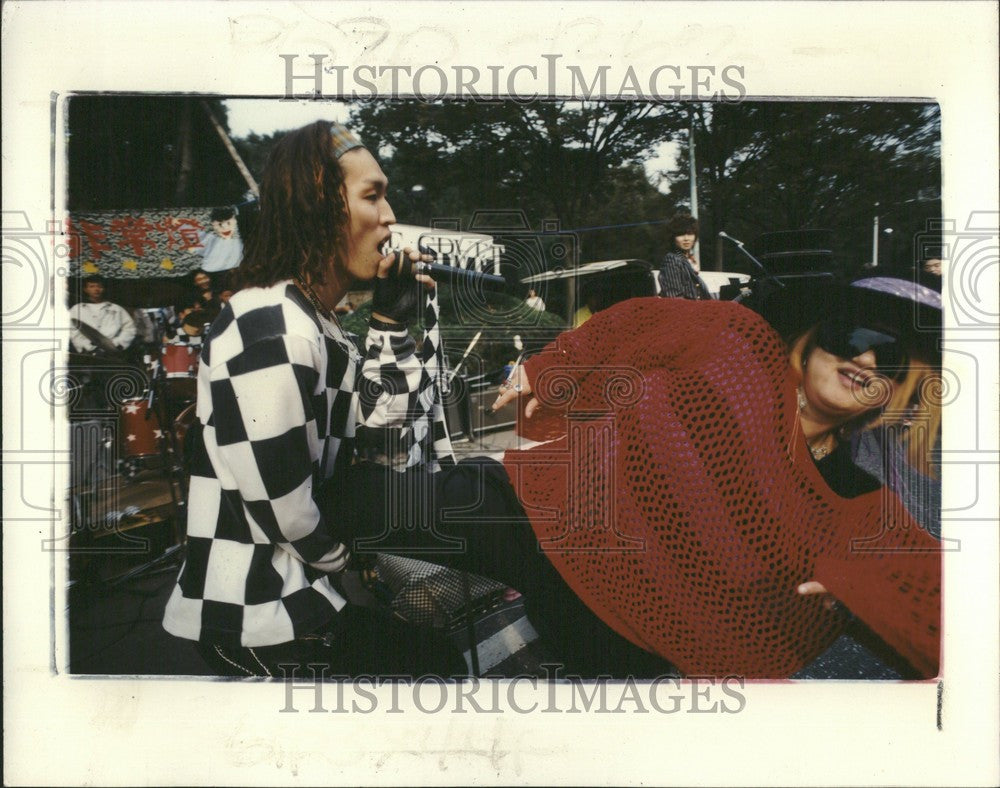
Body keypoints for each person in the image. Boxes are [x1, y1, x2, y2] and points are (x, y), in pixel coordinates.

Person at [162, 121, 467, 677]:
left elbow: (382, 443)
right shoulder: (268, 322)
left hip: (303, 594)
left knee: (439, 656)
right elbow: (284, 508)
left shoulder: (318, 322)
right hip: (260, 614)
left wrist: (390, 326)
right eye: (372, 195)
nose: (390, 215)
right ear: (320, 207)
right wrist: (349, 567)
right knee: (436, 671)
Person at [69, 275, 136, 355]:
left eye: (99, 286)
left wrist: (117, 343)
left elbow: (130, 328)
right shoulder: (77, 309)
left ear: (103, 289)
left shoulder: (116, 309)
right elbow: (72, 329)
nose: (96, 289)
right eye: (92, 286)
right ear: (86, 289)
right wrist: (86, 346)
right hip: (88, 352)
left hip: (112, 351)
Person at [657, 212, 712, 300]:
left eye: (690, 234)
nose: (686, 239)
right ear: (673, 238)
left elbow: (698, 294)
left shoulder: (687, 258)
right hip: (685, 311)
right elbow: (674, 298)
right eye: (681, 234)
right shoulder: (672, 259)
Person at [192, 206, 243, 273]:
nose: (225, 227)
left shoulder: (237, 242)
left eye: (228, 223)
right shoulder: (210, 238)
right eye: (220, 224)